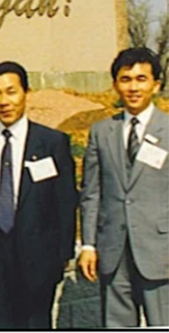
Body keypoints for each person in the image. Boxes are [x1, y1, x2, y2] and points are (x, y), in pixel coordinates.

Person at [0, 61, 77, 329]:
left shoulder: (52, 142)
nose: (3, 101)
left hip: (39, 262)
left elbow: (66, 203)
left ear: (26, 93)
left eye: (11, 91)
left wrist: (62, 258)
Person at [78, 47, 169, 327]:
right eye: (125, 79)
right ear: (115, 84)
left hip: (161, 251)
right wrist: (89, 244)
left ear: (156, 85)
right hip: (113, 252)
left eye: (141, 79)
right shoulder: (102, 131)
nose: (133, 87)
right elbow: (91, 193)